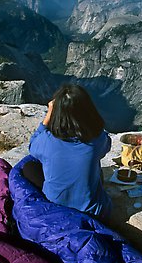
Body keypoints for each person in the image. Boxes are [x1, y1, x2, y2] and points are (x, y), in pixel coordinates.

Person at [23, 83, 113, 222]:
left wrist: (49, 114)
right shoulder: (97, 140)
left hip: (57, 208)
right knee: (96, 169)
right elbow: (106, 145)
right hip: (94, 212)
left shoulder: (46, 140)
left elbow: (32, 146)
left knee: (29, 167)